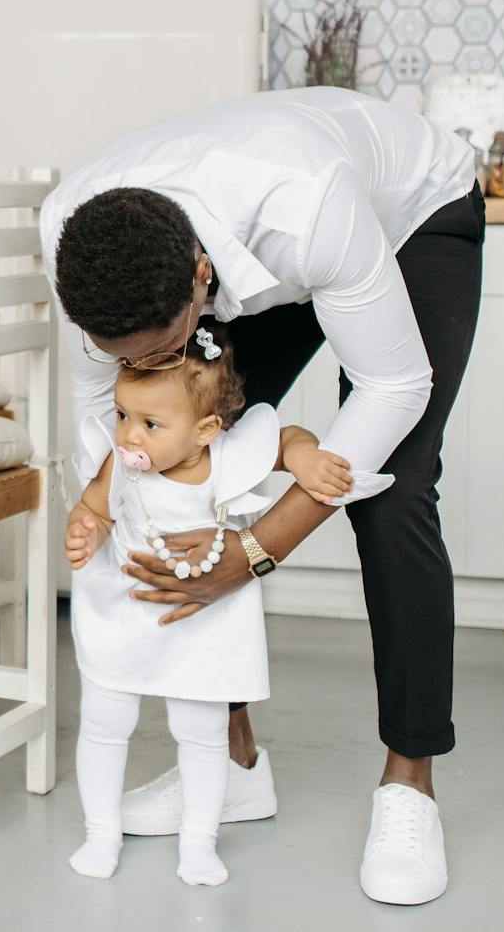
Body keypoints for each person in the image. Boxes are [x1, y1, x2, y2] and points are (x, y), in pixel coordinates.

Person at [41, 85, 481, 906]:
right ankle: (231, 762)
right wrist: (106, 507)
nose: (145, 366)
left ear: (200, 278)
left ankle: (409, 784)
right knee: (182, 464)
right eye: (125, 355)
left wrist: (250, 551)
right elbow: (108, 425)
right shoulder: (72, 238)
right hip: (264, 247)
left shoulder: (305, 207)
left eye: (165, 345)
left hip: (411, 215)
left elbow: (394, 385)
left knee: (396, 493)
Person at [66, 324, 390, 887]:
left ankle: (198, 840)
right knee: (104, 719)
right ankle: (101, 832)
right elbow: (94, 506)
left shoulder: (224, 458)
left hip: (202, 619)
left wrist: (307, 458)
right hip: (125, 608)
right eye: (122, 416)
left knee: (200, 729)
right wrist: (84, 529)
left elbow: (284, 437)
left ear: (205, 431)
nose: (128, 437)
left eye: (149, 424)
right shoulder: (120, 462)